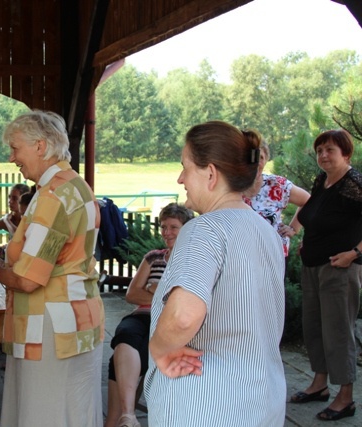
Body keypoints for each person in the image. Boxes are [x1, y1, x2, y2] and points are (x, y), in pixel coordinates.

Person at [144, 121, 286, 426]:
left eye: (185, 167)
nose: (181, 179)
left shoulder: (203, 230)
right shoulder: (267, 232)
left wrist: (158, 348)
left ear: (210, 174)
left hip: (203, 403)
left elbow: (184, 315)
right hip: (263, 399)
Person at [0, 110, 105, 427]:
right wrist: (2, 261)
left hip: (50, 328)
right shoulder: (75, 186)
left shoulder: (52, 197)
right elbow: (47, 255)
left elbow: (29, 279)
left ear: (40, 146)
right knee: (74, 411)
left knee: (43, 414)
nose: (12, 157)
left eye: (16, 148)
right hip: (76, 319)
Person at [292, 129, 361, 421]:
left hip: (339, 269)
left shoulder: (354, 183)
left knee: (338, 332)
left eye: (330, 150)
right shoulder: (323, 180)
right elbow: (315, 216)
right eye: (319, 150)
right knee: (315, 327)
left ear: (346, 153)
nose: (323, 155)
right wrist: (306, 241)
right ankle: (319, 385)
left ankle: (345, 398)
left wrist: (355, 254)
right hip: (313, 267)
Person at [105, 203, 193, 427]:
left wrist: (156, 288)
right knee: (125, 336)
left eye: (174, 227)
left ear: (188, 229)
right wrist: (165, 294)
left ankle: (124, 415)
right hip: (143, 315)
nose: (167, 232)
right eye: (164, 226)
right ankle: (128, 414)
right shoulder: (154, 257)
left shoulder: (194, 260)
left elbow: (188, 302)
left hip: (170, 323)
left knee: (126, 360)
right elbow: (132, 294)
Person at [243, 139, 310, 257]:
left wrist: (293, 228)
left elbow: (308, 201)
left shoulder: (276, 184)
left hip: (275, 255)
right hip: (242, 256)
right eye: (251, 157)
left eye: (261, 158)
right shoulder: (231, 186)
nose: (256, 162)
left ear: (266, 159)